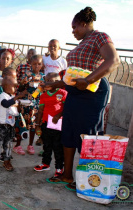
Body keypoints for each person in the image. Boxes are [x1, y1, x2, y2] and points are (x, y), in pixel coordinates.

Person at [45, 7, 119, 191]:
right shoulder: (82, 42)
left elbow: (114, 60)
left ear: (84, 24)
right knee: (68, 133)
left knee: (88, 136)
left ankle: (88, 179)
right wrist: (55, 85)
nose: (73, 31)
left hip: (92, 93)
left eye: (75, 27)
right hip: (75, 93)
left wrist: (88, 80)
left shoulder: (99, 37)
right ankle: (67, 174)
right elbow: (73, 76)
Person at [0, 76, 27, 171]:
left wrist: (20, 106)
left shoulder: (12, 97)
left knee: (8, 144)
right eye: (13, 86)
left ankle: (7, 161)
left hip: (11, 125)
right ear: (5, 86)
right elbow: (6, 104)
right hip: (2, 125)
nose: (15, 89)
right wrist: (17, 97)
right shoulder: (2, 96)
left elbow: (15, 110)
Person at [34, 73, 67, 178]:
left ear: (59, 82)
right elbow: (40, 111)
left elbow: (67, 108)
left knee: (58, 148)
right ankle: (45, 164)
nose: (49, 83)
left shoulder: (63, 93)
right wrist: (38, 125)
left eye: (53, 81)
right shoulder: (43, 95)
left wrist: (59, 115)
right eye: (47, 80)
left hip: (58, 126)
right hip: (46, 124)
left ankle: (59, 168)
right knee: (47, 146)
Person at [13, 55, 44, 155]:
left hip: (35, 105)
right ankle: (18, 145)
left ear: (42, 65)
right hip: (24, 104)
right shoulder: (27, 75)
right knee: (21, 125)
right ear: (30, 64)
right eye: (34, 64)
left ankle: (30, 145)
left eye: (39, 64)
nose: (36, 66)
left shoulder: (43, 77)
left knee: (33, 125)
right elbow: (20, 89)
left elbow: (43, 91)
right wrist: (22, 83)